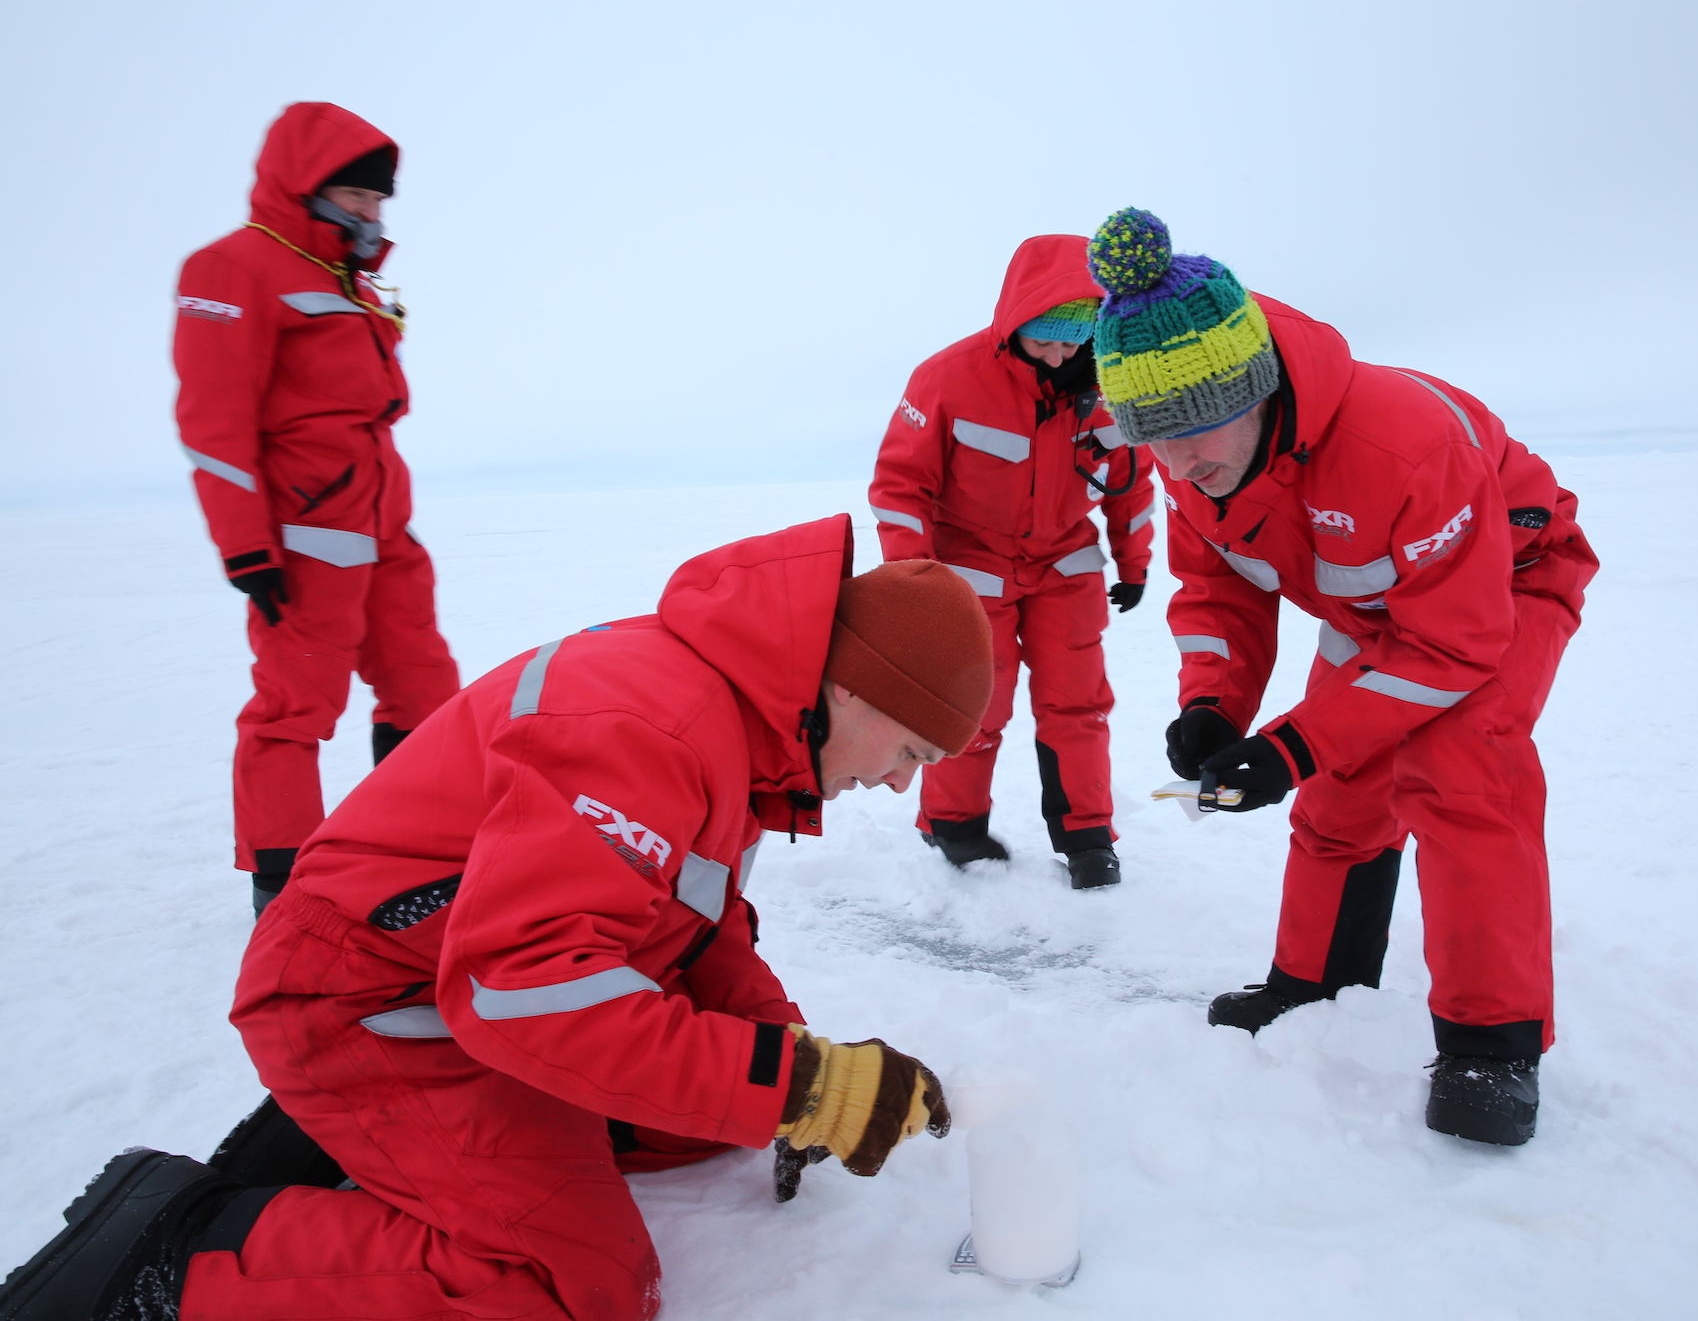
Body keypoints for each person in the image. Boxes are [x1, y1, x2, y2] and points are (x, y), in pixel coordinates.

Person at [0, 517, 979, 1321]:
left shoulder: (738, 731)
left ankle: (387, 1150)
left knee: (703, 1124)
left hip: (458, 990)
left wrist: (786, 1062)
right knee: (566, 1285)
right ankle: (177, 1244)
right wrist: (798, 1085)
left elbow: (700, 927)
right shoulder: (652, 726)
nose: (899, 783)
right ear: (853, 686)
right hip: (367, 999)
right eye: (910, 747)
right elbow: (525, 986)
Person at [1086, 209, 1599, 1145]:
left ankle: (1492, 1045)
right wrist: (1212, 702)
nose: (1177, 464)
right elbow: (1218, 592)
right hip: (1372, 609)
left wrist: (1293, 742)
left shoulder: (1404, 446)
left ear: (1258, 386)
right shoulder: (1195, 458)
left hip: (1501, 584)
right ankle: (1315, 984)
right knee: (1342, 787)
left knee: (1458, 768)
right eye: (1152, 440)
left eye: (1195, 432)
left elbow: (1452, 646)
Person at [173, 101, 460, 914]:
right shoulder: (233, 269)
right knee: (295, 708)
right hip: (304, 536)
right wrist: (246, 550)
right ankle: (286, 890)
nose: (372, 212)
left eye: (379, 201)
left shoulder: (345, 276)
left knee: (427, 691)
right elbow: (213, 425)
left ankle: (415, 855)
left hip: (383, 525)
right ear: (305, 186)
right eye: (357, 197)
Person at [870, 234, 1155, 890]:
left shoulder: (1107, 381)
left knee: (1077, 704)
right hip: (970, 571)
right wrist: (914, 581)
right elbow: (899, 487)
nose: (1060, 354)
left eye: (1072, 339)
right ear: (1016, 320)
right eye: (1045, 339)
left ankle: (1087, 836)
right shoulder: (946, 377)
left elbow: (1133, 480)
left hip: (1066, 565)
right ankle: (954, 824)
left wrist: (1133, 562)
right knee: (975, 705)